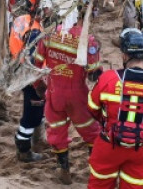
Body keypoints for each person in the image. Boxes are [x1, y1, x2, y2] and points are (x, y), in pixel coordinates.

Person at [87, 29, 143, 189]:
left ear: (124, 56)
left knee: (99, 184)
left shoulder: (108, 79)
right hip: (142, 149)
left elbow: (92, 108)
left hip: (109, 145)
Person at [34, 17, 103, 184]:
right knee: (92, 132)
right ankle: (95, 171)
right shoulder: (87, 39)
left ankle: (63, 169)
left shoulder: (50, 33)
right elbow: (95, 74)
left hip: (54, 91)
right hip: (78, 95)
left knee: (57, 132)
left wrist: (38, 84)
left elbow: (36, 62)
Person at [8, 0, 44, 163]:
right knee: (32, 115)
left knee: (36, 111)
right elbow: (35, 60)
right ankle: (23, 149)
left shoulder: (21, 20)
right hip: (32, 77)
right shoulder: (35, 30)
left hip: (21, 70)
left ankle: (33, 141)